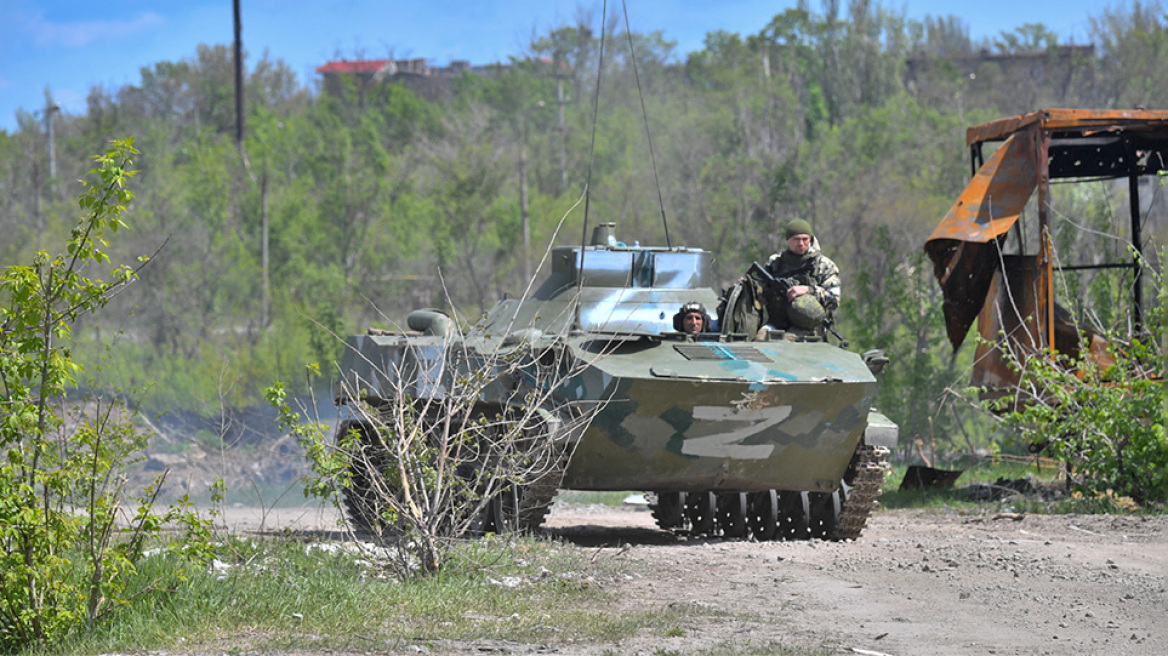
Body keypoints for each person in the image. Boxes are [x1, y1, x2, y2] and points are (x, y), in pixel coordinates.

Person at [759, 218, 840, 333]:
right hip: (777, 322)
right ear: (788, 240)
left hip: (808, 327)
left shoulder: (824, 265)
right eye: (796, 239)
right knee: (761, 338)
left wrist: (808, 290)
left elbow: (834, 300)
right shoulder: (776, 262)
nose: (801, 243)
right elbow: (760, 287)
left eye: (805, 239)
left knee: (787, 342)